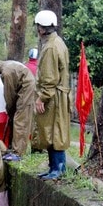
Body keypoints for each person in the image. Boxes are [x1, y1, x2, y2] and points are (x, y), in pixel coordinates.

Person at [33, 10, 71, 180]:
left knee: (52, 131)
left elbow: (49, 78)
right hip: (58, 94)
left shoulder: (50, 47)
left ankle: (57, 169)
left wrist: (42, 97)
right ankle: (54, 168)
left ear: (41, 29)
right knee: (55, 131)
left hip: (53, 96)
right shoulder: (58, 42)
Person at [0, 55, 35, 160]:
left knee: (20, 120)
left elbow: (9, 95)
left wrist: (9, 110)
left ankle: (17, 153)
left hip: (26, 89)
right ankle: (12, 148)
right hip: (22, 87)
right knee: (16, 119)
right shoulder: (6, 66)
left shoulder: (6, 73)